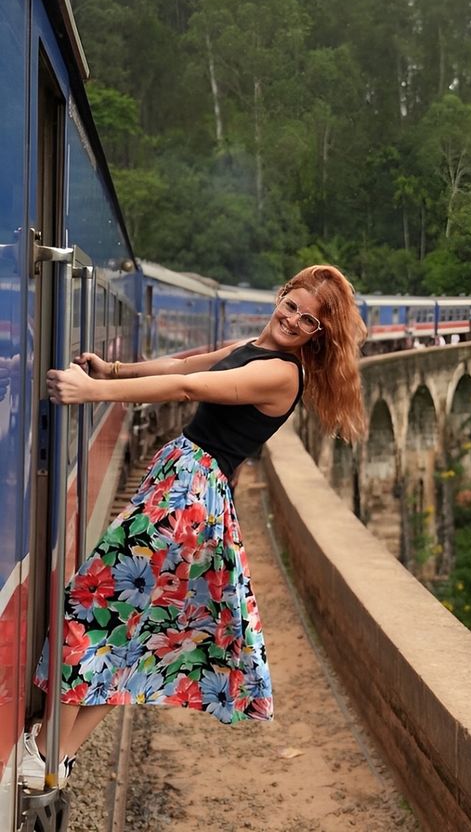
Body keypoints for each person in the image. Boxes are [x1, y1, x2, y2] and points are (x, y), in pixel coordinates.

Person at [22, 264, 367, 790]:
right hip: (183, 486)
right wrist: (112, 370)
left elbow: (187, 387)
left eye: (309, 320)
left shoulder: (283, 374)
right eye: (292, 305)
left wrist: (91, 392)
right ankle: (59, 757)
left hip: (188, 498)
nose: (293, 319)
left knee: (88, 609)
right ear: (281, 296)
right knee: (129, 632)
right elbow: (183, 363)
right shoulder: (254, 347)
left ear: (319, 336)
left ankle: (49, 754)